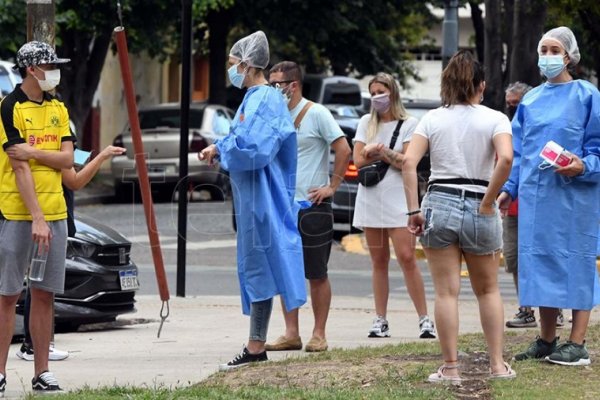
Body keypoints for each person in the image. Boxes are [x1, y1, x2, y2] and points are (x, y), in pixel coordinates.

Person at [402, 50, 515, 383]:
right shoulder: (495, 118)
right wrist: (488, 200)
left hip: (440, 201)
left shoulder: (432, 119)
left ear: (447, 83)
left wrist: (413, 209)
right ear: (481, 85)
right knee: (488, 290)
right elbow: (505, 159)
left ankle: (450, 368)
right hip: (480, 199)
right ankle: (496, 365)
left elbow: (409, 163)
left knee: (446, 292)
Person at [198, 31, 306, 371]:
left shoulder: (264, 100)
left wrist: (222, 148)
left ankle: (255, 346)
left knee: (260, 269)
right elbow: (241, 139)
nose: (231, 71)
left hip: (263, 198)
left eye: (233, 65)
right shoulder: (256, 99)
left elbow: (254, 149)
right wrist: (219, 148)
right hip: (254, 197)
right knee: (258, 268)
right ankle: (255, 343)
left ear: (247, 65)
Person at [499, 26, 600, 366]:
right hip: (535, 198)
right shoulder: (530, 100)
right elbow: (518, 152)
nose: (547, 55)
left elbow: (597, 149)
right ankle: (545, 338)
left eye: (554, 49)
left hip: (575, 199)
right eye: (543, 48)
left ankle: (577, 343)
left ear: (569, 56)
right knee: (539, 262)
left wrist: (581, 166)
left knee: (576, 261)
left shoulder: (587, 96)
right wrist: (508, 189)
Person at [0, 41, 73, 394]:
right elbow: (19, 167)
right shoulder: (9, 107)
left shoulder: (59, 107)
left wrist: (34, 150)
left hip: (56, 211)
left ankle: (42, 371)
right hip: (18, 214)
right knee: (7, 295)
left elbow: (67, 160)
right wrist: (37, 219)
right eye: (50, 65)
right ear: (32, 69)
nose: (55, 71)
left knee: (44, 294)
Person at [264, 61, 351, 353]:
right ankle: (291, 332)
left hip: (312, 206)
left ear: (293, 85)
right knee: (286, 271)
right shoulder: (274, 115)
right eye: (271, 84)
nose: (274, 90)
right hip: (282, 206)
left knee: (316, 272)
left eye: (277, 85)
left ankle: (319, 333)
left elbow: (344, 148)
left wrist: (332, 186)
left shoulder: (317, 113)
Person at [16, 144, 126, 362]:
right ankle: (33, 345)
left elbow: (71, 175)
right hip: (42, 217)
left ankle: (39, 345)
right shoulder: (43, 145)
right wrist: (101, 156)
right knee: (38, 287)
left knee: (40, 287)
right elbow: (74, 180)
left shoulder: (52, 145)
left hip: (53, 216)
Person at [352, 72, 435, 339]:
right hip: (371, 197)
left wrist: (382, 152)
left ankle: (424, 319)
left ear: (393, 93)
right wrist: (372, 152)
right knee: (378, 260)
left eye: (381, 92)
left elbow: (407, 161)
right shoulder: (366, 122)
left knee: (407, 258)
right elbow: (358, 159)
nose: (377, 97)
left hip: (399, 197)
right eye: (373, 92)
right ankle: (380, 319)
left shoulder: (410, 123)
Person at [503, 82, 567, 329]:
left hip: (539, 207)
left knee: (546, 258)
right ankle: (525, 309)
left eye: (516, 105)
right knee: (515, 259)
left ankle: (555, 308)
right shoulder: (507, 132)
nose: (513, 110)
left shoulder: (542, 131)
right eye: (509, 105)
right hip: (512, 207)